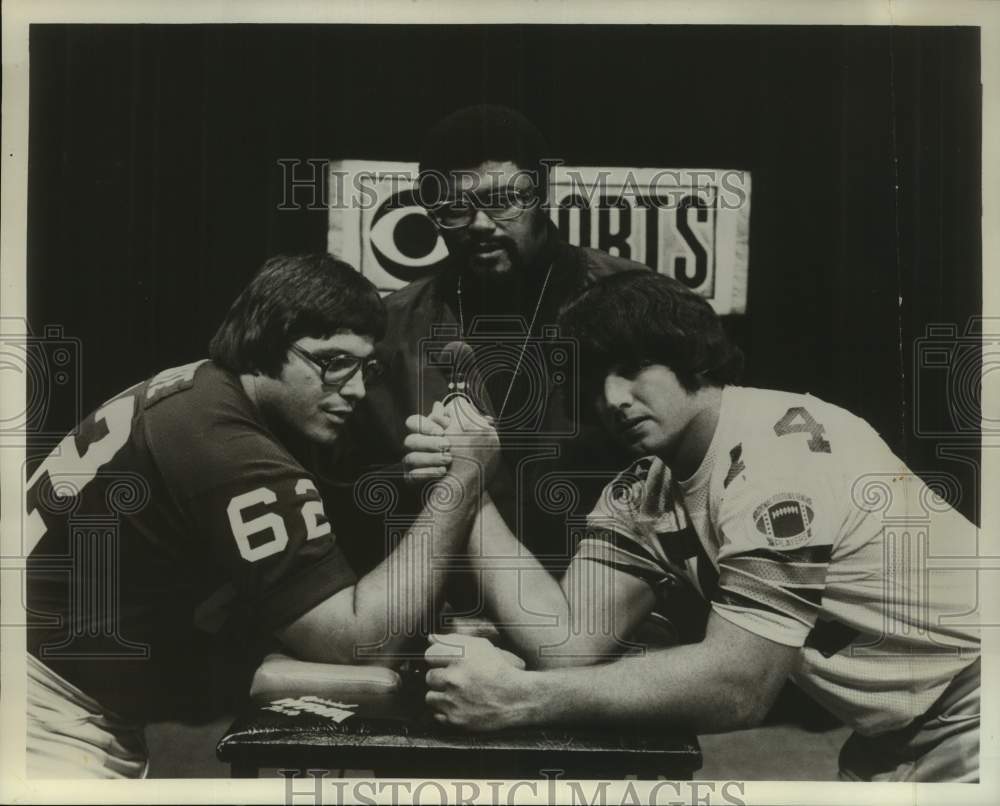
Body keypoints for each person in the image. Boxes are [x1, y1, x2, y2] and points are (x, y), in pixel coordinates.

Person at [416, 271, 981, 783]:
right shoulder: (648, 488)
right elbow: (566, 643)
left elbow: (741, 686)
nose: (612, 399)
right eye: (592, 382)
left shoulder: (780, 447)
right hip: (893, 740)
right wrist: (469, 483)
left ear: (686, 354)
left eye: (632, 368)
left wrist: (521, 699)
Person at [24, 253, 498, 778]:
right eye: (332, 361)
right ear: (265, 342)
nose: (358, 389)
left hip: (53, 693)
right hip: (43, 716)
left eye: (366, 367)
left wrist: (413, 483)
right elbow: (358, 643)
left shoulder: (201, 391)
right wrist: (463, 479)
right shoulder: (224, 441)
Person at [335, 104, 649, 577]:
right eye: (455, 209)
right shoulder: (389, 327)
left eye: (504, 200)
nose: (480, 224)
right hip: (448, 602)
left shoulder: (636, 300)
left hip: (607, 591)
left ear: (542, 194)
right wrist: (405, 478)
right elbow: (343, 484)